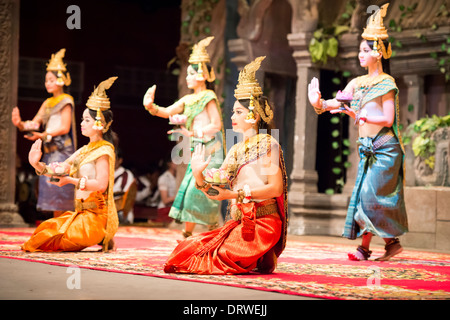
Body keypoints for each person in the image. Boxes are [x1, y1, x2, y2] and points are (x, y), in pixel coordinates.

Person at [164, 56, 288, 275]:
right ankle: (257, 258)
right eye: (232, 111)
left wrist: (233, 196)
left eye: (238, 112)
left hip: (264, 223)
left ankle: (260, 254)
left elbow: (275, 189)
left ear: (254, 116)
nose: (232, 116)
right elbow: (215, 192)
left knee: (217, 258)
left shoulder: (269, 144)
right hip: (240, 223)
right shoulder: (235, 149)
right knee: (185, 250)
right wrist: (199, 174)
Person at [307, 4, 408, 261]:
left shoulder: (386, 83)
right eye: (360, 50)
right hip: (368, 148)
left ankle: (389, 244)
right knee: (365, 196)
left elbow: (387, 118)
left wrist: (361, 115)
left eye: (365, 50)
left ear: (379, 52)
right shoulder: (356, 83)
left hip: (385, 148)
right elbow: (335, 103)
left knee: (369, 196)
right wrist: (317, 102)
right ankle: (369, 248)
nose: (360, 54)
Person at [22, 77, 119, 252]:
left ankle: (103, 234)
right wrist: (37, 164)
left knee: (55, 242)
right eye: (82, 119)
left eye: (86, 120)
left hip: (95, 218)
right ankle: (101, 238)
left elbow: (101, 185)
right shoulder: (84, 150)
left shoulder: (104, 151)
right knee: (43, 233)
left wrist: (71, 181)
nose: (81, 123)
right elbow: (61, 168)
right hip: (80, 215)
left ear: (100, 124)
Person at [143, 36, 225, 238]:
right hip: (197, 150)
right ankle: (189, 235)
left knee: (203, 192)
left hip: (211, 150)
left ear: (202, 75)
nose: (187, 77)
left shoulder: (209, 97)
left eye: (190, 73)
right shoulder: (188, 99)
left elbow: (216, 125)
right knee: (191, 190)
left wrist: (193, 133)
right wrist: (150, 106)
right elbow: (167, 111)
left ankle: (212, 232)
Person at [12, 49, 77, 217]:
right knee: (50, 191)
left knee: (59, 191)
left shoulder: (66, 101)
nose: (47, 83)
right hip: (50, 150)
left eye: (51, 80)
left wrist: (42, 135)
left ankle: (61, 228)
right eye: (46, 80)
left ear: (61, 81)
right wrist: (20, 124)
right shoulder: (48, 102)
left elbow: (64, 127)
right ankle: (56, 228)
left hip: (62, 151)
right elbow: (35, 123)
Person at [114, 148, 137, 224]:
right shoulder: (104, 173)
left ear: (120, 160)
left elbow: (128, 197)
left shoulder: (126, 175)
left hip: (121, 213)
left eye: (113, 158)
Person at [152, 159, 177, 226]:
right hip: (165, 210)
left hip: (174, 209)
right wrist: (179, 196)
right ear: (169, 163)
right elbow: (165, 200)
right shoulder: (164, 178)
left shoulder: (177, 177)